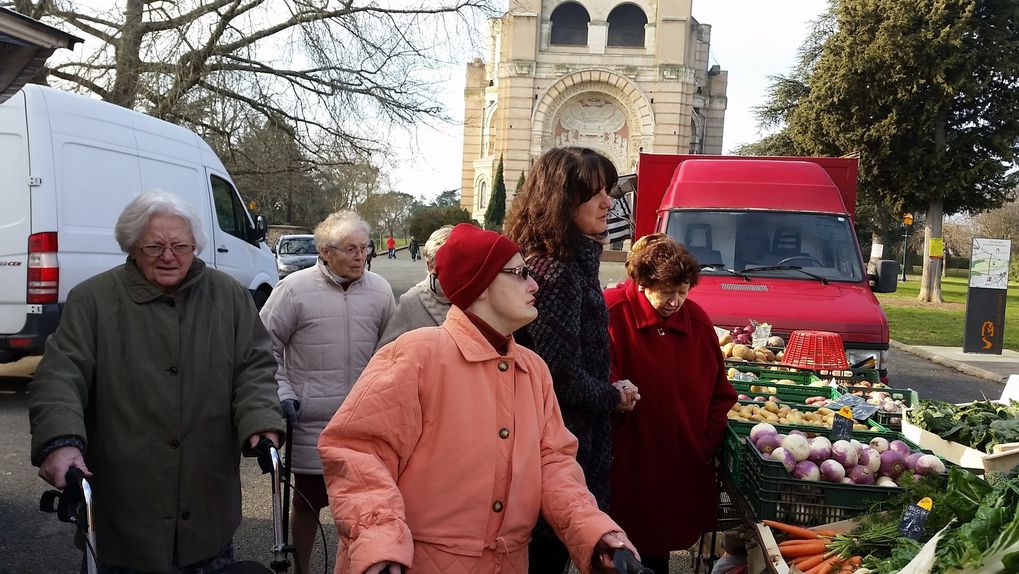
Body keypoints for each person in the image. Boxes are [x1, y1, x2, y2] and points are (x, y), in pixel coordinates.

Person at [317, 223, 640, 574]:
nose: (535, 284)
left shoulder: (533, 370)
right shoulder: (417, 354)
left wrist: (596, 531)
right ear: (482, 285)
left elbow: (554, 466)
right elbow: (358, 451)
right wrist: (379, 542)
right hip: (416, 564)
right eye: (519, 273)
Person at [28, 190, 284, 573]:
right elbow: (59, 377)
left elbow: (254, 367)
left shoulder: (228, 296)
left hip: (206, 499)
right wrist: (60, 443)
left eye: (180, 245)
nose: (169, 255)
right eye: (154, 246)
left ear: (195, 245)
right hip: (124, 509)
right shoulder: (93, 300)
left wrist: (262, 421)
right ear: (132, 246)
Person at [504, 147, 639, 574]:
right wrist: (612, 395)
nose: (608, 202)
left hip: (563, 440)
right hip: (556, 447)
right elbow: (557, 378)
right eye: (595, 193)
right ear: (563, 199)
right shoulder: (555, 271)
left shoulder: (566, 262)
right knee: (546, 554)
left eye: (609, 191)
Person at [259, 210, 396, 574]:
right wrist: (283, 391)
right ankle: (302, 569)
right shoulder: (293, 290)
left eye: (364, 249)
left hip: (363, 422)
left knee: (361, 508)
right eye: (350, 249)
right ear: (324, 251)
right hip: (311, 421)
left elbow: (391, 349)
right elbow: (262, 348)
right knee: (307, 505)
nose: (360, 256)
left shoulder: (380, 290)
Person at [604, 235, 737, 573]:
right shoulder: (613, 312)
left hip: (681, 464)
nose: (675, 301)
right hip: (626, 465)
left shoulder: (698, 322)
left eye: (683, 291)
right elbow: (596, 383)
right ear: (643, 283)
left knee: (659, 551)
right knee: (617, 550)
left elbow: (721, 394)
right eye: (666, 292)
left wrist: (704, 442)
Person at [376, 225, 454, 349]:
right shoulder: (412, 301)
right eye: (452, 259)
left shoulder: (480, 297)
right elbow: (384, 356)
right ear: (430, 266)